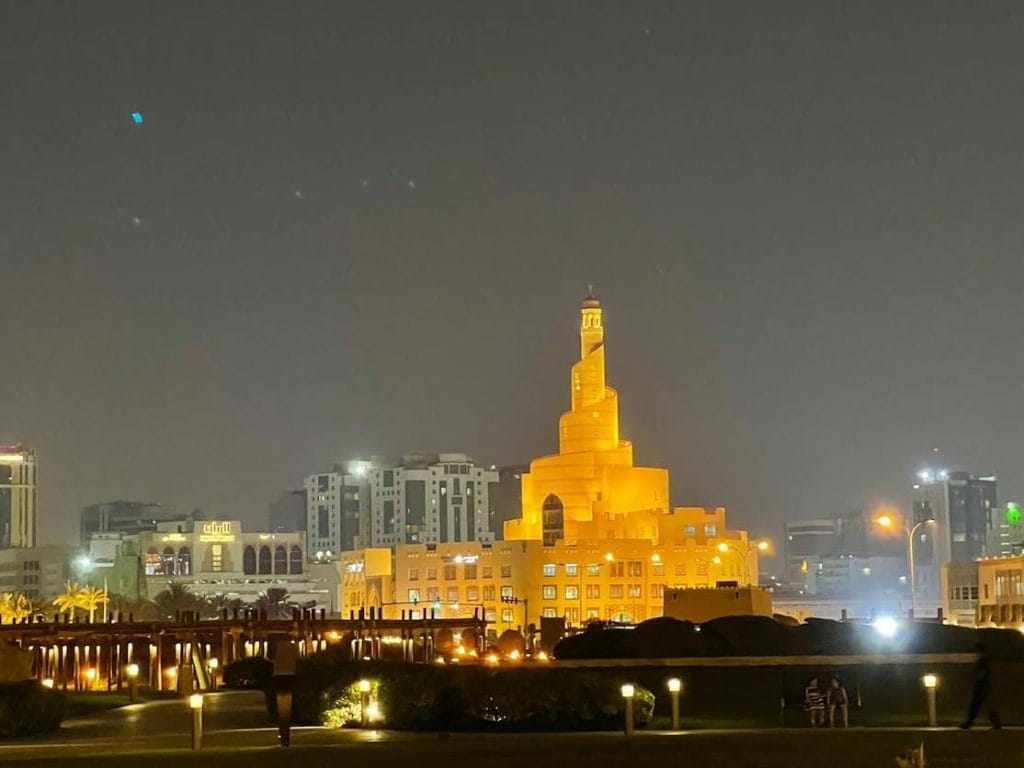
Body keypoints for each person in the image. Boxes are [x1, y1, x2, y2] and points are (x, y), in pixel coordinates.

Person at [960, 643, 1002, 729]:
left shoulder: (983, 662)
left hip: (982, 687)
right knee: (981, 705)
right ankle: (996, 723)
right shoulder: (984, 661)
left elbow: (981, 674)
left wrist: (976, 677)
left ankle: (970, 722)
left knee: (977, 705)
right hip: (983, 686)